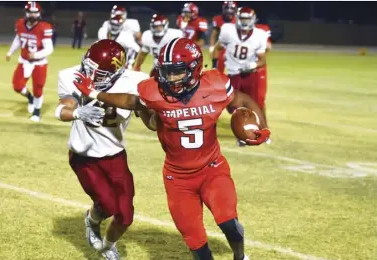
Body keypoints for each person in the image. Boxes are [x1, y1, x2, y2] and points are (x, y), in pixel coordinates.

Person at [73, 37, 271, 260]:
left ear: (194, 69)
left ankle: (240, 257)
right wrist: (93, 93)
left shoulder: (214, 86)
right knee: (196, 241)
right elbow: (132, 102)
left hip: (212, 169)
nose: (169, 78)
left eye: (175, 72)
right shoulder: (154, 91)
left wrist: (262, 127)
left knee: (228, 222)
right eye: (165, 72)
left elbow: (243, 99)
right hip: (178, 179)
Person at [55, 39, 151, 260]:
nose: (90, 75)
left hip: (116, 154)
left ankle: (107, 245)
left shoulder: (135, 81)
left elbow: (148, 109)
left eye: (97, 73)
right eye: (88, 67)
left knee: (126, 216)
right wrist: (77, 113)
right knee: (107, 206)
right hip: (84, 156)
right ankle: (92, 220)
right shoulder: (70, 75)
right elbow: (62, 108)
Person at [213, 7, 269, 145]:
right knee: (233, 107)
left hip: (251, 75)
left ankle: (264, 131)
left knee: (257, 105)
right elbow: (218, 48)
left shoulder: (259, 34)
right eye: (242, 18)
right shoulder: (228, 30)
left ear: (253, 20)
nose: (244, 22)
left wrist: (251, 65)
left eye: (247, 19)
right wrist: (215, 66)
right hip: (233, 74)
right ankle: (243, 133)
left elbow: (262, 59)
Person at [6, 1, 54, 122]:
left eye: (35, 13)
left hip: (39, 62)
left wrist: (36, 55)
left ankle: (36, 112)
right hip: (24, 61)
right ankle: (30, 97)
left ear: (39, 13)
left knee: (38, 88)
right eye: (31, 13)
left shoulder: (44, 27)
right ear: (26, 13)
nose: (33, 15)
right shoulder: (20, 24)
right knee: (17, 86)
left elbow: (49, 49)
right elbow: (18, 38)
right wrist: (10, 52)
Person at [210, 1, 238, 73]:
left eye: (231, 13)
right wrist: (212, 47)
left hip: (235, 46)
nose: (229, 15)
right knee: (218, 68)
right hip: (222, 44)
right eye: (228, 12)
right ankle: (215, 68)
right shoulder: (218, 19)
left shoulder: (238, 20)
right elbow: (214, 34)